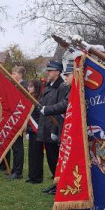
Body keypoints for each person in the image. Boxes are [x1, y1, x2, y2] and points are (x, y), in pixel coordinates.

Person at [37, 60, 68, 194]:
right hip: (46, 125)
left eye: (50, 70)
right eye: (48, 70)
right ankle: (54, 183)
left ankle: (59, 184)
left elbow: (62, 107)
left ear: (57, 72)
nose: (48, 73)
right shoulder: (49, 86)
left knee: (56, 158)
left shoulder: (62, 86)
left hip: (55, 126)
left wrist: (55, 130)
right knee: (50, 157)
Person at [7, 66, 28, 180]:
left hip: (19, 119)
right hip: (13, 119)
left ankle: (18, 172)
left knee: (18, 147)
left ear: (20, 75)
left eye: (14, 73)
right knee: (14, 146)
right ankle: (14, 169)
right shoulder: (15, 85)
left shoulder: (23, 86)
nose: (12, 75)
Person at [26, 80, 44, 184]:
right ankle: (31, 176)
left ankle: (37, 177)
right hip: (31, 130)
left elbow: (39, 115)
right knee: (31, 155)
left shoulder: (38, 99)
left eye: (31, 86)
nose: (29, 88)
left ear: (36, 87)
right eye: (28, 86)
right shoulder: (29, 97)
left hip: (37, 129)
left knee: (37, 155)